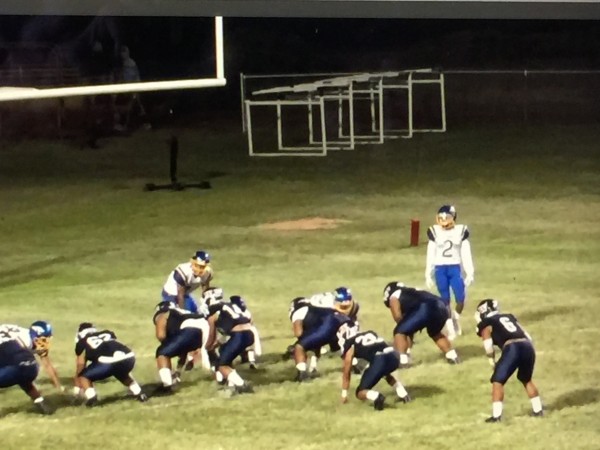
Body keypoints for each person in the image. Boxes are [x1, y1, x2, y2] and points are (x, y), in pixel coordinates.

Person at [474, 299, 543, 422]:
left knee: (497, 381)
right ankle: (538, 410)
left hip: (513, 347)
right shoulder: (508, 317)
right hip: (527, 346)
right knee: (526, 379)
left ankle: (496, 416)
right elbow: (528, 336)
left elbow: (487, 343)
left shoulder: (487, 323)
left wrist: (491, 360)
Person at [425, 204, 475, 340]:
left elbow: (466, 253)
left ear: (453, 217)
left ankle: (455, 317)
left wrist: (470, 271)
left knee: (460, 297)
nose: (443, 220)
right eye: (441, 217)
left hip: (454, 267)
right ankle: (450, 329)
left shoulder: (460, 231)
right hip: (440, 268)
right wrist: (428, 273)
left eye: (446, 217)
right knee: (444, 300)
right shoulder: (435, 231)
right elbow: (431, 253)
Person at [286, 287, 360, 375]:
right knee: (339, 344)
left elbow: (299, 333)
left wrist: (300, 343)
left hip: (328, 323)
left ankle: (302, 374)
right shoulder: (315, 307)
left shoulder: (301, 311)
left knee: (301, 345)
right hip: (333, 321)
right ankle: (354, 365)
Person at [383, 282, 460, 365]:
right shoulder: (412, 291)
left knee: (399, 331)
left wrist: (405, 330)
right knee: (435, 332)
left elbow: (398, 317)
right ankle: (452, 356)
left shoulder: (394, 296)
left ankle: (403, 361)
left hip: (425, 307)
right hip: (442, 306)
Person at [338, 323, 411, 411]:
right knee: (383, 372)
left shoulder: (350, 344)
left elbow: (347, 372)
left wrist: (344, 394)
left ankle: (376, 396)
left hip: (379, 359)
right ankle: (403, 394)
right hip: (394, 356)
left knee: (360, 392)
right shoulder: (370, 333)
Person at [72, 323, 148, 406]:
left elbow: (80, 365)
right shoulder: (107, 333)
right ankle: (139, 393)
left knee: (84, 376)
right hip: (129, 357)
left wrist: (77, 388)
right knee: (119, 372)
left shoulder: (82, 342)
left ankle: (92, 398)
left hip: (108, 362)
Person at [202, 288, 255, 394]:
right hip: (249, 333)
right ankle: (232, 384)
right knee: (225, 354)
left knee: (222, 365)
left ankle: (242, 386)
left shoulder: (213, 310)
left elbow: (212, 332)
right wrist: (219, 342)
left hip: (239, 335)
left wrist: (208, 345)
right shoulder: (228, 305)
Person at [153, 301, 213, 394]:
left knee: (162, 352)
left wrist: (166, 345)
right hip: (207, 329)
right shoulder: (182, 313)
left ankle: (167, 385)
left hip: (190, 329)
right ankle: (223, 378)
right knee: (213, 359)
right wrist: (179, 369)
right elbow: (183, 349)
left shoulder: (163, 314)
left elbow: (161, 335)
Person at [0, 323, 54, 415]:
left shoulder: (22, 337)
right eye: (42, 339)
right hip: (32, 369)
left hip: (17, 363)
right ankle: (41, 403)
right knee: (22, 373)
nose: (44, 343)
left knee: (19, 368)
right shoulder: (24, 337)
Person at [0, 321, 63, 392]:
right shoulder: (24, 341)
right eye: (43, 339)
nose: (44, 342)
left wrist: (58, 386)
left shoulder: (34, 341)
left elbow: (48, 364)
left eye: (46, 339)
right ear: (34, 336)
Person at [230, 295, 262, 370]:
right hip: (250, 329)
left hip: (238, 330)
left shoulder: (232, 310)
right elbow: (251, 321)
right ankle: (251, 361)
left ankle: (229, 362)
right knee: (250, 347)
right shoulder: (246, 311)